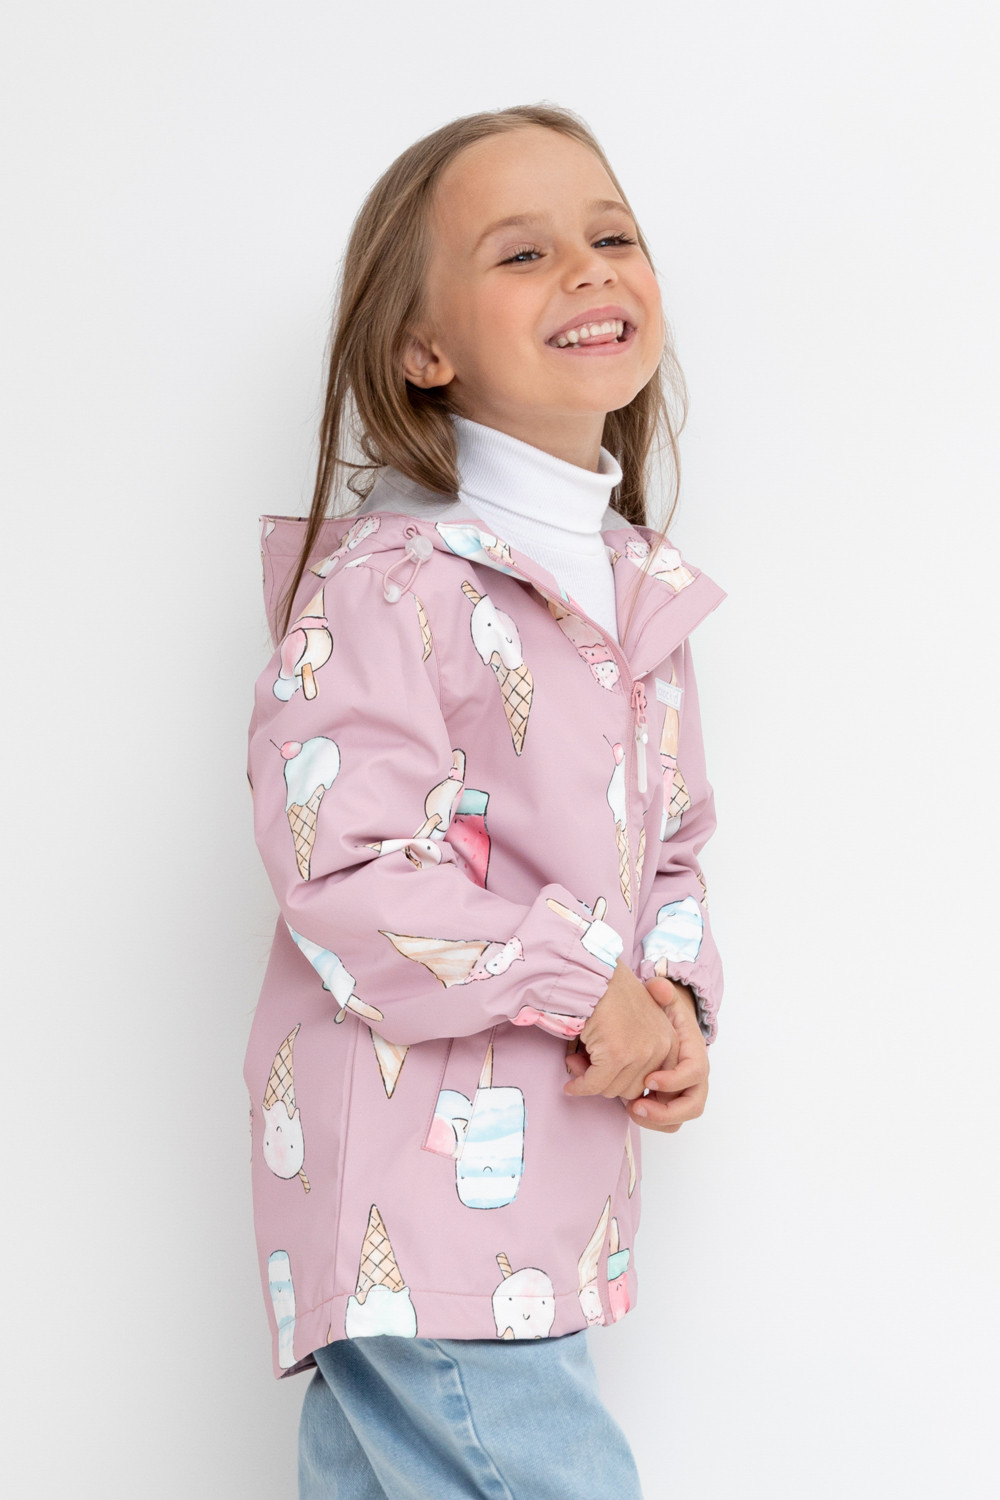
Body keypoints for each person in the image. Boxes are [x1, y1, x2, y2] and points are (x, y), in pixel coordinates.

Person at [245, 102, 727, 1500]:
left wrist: (675, 1007)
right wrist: (590, 990)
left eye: (612, 237)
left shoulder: (634, 594)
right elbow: (347, 870)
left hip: (541, 1199)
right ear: (423, 347)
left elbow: (673, 848)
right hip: (416, 1192)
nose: (587, 269)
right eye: (522, 253)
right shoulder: (390, 584)